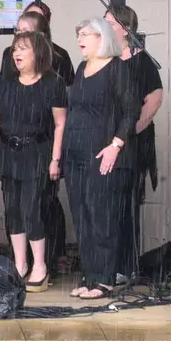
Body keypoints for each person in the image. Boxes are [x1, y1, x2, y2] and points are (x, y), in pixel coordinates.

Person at [62, 18, 138, 299]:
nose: (80, 38)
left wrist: (115, 145)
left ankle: (105, 278)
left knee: (101, 214)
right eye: (78, 33)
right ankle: (90, 275)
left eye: (85, 34)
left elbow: (131, 111)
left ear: (101, 37)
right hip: (75, 152)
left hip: (102, 151)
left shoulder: (118, 69)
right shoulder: (82, 68)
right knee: (81, 215)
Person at [0, 31, 67, 292]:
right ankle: (20, 264)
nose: (17, 54)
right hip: (8, 152)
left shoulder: (52, 84)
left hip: (38, 152)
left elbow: (60, 124)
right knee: (13, 210)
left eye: (23, 49)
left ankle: (40, 266)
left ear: (39, 54)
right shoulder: (6, 83)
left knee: (33, 209)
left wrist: (56, 159)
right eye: (15, 49)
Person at [107, 5, 163, 278]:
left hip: (133, 142)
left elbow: (155, 97)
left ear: (126, 28)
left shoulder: (142, 61)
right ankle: (109, 263)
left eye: (110, 22)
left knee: (127, 204)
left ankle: (127, 266)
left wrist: (133, 127)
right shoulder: (107, 59)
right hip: (109, 141)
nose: (105, 26)